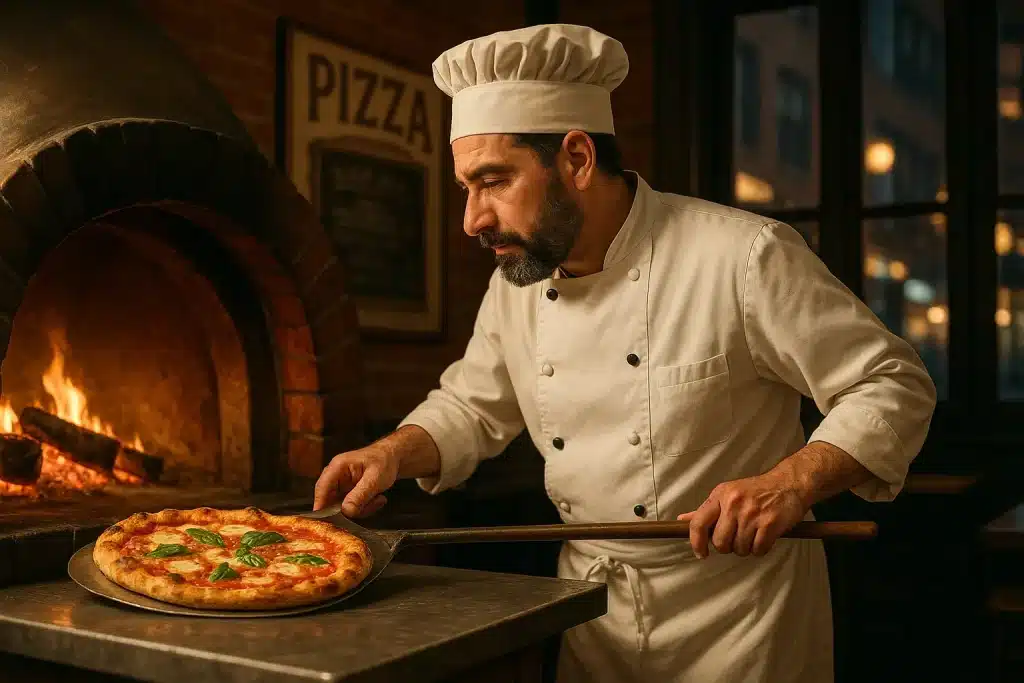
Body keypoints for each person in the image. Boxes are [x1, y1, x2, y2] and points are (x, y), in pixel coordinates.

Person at [313, 23, 937, 683]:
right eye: (467, 187)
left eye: (493, 181)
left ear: (578, 159)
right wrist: (392, 452)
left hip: (741, 623)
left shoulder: (742, 256)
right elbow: (471, 405)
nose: (473, 218)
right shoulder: (516, 284)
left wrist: (788, 483)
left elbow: (890, 382)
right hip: (593, 613)